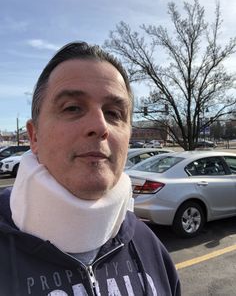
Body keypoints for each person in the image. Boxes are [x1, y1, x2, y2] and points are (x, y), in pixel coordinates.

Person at [0, 42, 181, 295]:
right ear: (34, 136)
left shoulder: (150, 246)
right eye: (72, 107)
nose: (99, 125)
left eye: (114, 112)